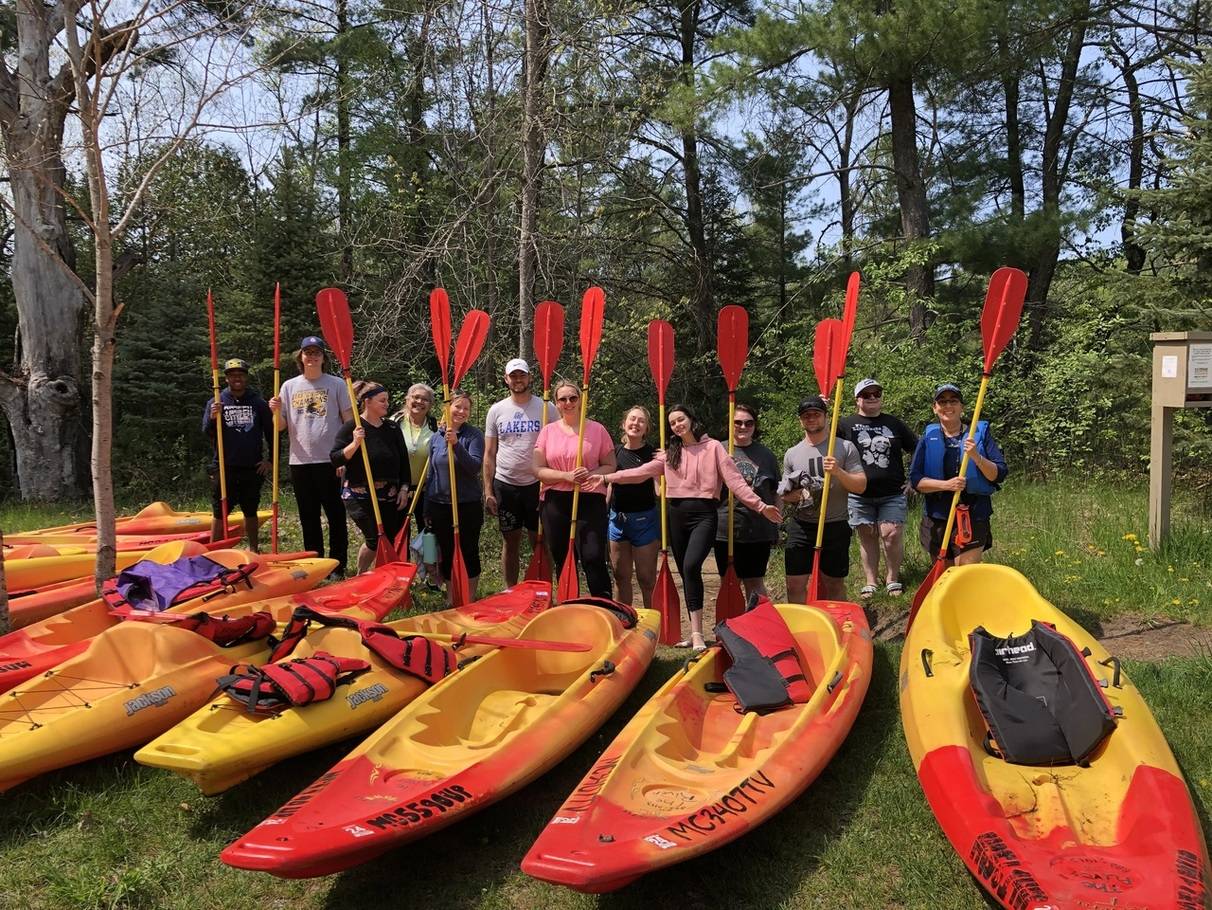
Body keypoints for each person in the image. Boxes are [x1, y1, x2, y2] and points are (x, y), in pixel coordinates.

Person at [594, 404, 781, 651]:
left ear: (691, 419)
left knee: (692, 565)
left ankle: (699, 636)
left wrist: (760, 506)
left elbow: (736, 482)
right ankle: (693, 633)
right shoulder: (670, 453)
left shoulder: (713, 447)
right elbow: (639, 473)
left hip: (704, 515)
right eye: (672, 423)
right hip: (676, 515)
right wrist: (607, 478)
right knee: (686, 572)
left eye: (681, 419)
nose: (677, 425)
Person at [269, 335, 352, 576]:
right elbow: (281, 426)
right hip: (300, 462)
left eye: (317, 352)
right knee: (308, 516)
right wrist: (275, 412)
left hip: (330, 461)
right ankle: (315, 564)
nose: (312, 356)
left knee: (335, 515)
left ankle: (337, 565)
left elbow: (348, 421)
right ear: (301, 357)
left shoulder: (336, 384)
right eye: (308, 352)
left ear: (323, 357)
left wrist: (344, 458)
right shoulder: (289, 386)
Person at [778, 396, 867, 603]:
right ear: (800, 421)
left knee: (834, 583)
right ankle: (799, 629)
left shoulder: (844, 448)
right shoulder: (792, 454)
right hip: (802, 526)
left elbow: (861, 486)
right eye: (806, 416)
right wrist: (799, 495)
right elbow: (786, 494)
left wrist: (838, 471)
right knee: (794, 583)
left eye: (816, 414)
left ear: (826, 417)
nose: (811, 419)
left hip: (835, 524)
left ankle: (837, 627)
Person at [908, 383, 1008, 566]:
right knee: (944, 575)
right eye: (942, 402)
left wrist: (977, 457)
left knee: (964, 573)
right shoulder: (928, 437)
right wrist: (946, 485)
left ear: (962, 407)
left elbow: (999, 474)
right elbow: (916, 480)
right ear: (935, 408)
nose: (948, 406)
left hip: (973, 512)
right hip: (937, 515)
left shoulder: (979, 435)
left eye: (953, 401)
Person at [533, 380, 616, 598]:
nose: (568, 402)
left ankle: (604, 605)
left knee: (593, 555)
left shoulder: (597, 430)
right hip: (555, 500)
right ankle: (568, 606)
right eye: (563, 399)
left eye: (573, 398)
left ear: (580, 400)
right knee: (563, 557)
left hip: (589, 498)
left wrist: (590, 473)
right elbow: (537, 469)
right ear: (556, 404)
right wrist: (566, 476)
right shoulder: (548, 432)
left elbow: (610, 465)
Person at [838, 378, 919, 599]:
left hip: (892, 492)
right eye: (867, 395)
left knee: (890, 534)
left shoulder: (894, 423)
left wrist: (914, 478)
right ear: (857, 399)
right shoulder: (844, 424)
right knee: (867, 534)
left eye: (876, 394)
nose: (873, 398)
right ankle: (871, 581)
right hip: (858, 494)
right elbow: (827, 444)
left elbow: (918, 449)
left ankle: (892, 578)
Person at [330, 380, 410, 574]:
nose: (386, 404)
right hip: (359, 492)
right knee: (374, 538)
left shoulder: (392, 428)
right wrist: (356, 442)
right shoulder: (352, 427)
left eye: (387, 400)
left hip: (388, 492)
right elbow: (335, 458)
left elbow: (403, 460)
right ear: (368, 401)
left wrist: (404, 488)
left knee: (388, 539)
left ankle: (382, 576)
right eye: (382, 400)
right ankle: (360, 574)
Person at [483, 358, 546, 586]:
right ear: (506, 379)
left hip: (537, 485)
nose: (518, 380)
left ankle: (542, 590)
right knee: (510, 543)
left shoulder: (547, 408)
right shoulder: (497, 410)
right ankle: (511, 590)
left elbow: (560, 443)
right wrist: (488, 490)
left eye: (522, 375)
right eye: (513, 376)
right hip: (506, 485)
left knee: (540, 542)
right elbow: (489, 453)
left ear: (530, 377)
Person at [202, 358, 273, 551]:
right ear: (226, 379)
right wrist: (212, 418)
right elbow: (207, 432)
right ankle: (213, 552)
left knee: (250, 509)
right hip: (225, 466)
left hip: (252, 466)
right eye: (232, 375)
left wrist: (270, 461)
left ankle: (254, 549)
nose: (237, 378)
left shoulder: (257, 402)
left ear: (246, 377)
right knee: (220, 510)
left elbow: (272, 432)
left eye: (240, 375)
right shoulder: (216, 401)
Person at [713, 402, 780, 601]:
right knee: (729, 582)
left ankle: (758, 626)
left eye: (748, 423)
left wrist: (775, 522)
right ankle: (729, 626)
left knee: (755, 582)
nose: (743, 427)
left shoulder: (766, 455)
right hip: (725, 530)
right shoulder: (718, 449)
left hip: (758, 530)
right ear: (730, 423)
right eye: (738, 422)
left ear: (754, 426)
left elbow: (776, 491)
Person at [426, 389, 485, 600]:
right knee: (448, 552)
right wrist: (427, 506)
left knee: (468, 551)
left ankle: (469, 596)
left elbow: (474, 467)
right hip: (440, 504)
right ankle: (452, 597)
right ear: (448, 408)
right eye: (457, 406)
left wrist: (456, 445)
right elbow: (431, 473)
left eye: (466, 408)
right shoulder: (436, 437)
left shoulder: (474, 435)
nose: (461, 411)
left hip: (466, 505)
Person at [607, 406, 659, 608]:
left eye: (641, 421)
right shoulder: (614, 452)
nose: (636, 423)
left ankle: (654, 625)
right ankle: (624, 619)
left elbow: (659, 488)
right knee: (620, 576)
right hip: (617, 521)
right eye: (632, 419)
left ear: (646, 428)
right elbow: (610, 484)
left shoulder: (654, 453)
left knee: (646, 579)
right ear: (623, 423)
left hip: (644, 521)